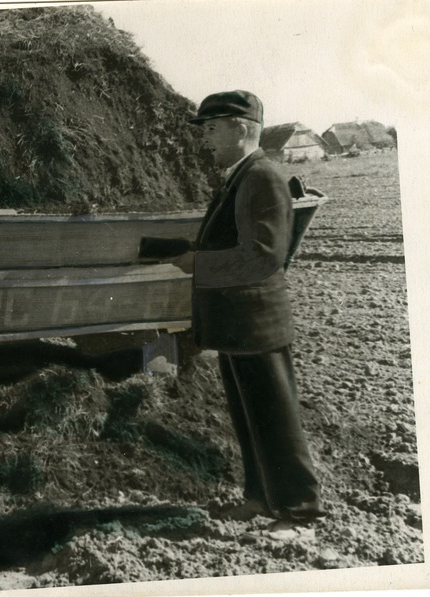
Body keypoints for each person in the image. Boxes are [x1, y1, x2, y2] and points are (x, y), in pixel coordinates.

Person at [186, 90, 324, 539]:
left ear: (241, 129)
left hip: (257, 322)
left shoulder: (261, 177)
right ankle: (260, 498)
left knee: (275, 418)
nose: (204, 139)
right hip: (239, 322)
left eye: (211, 128)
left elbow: (264, 256)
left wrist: (197, 264)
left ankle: (300, 512)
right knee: (250, 417)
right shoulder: (239, 176)